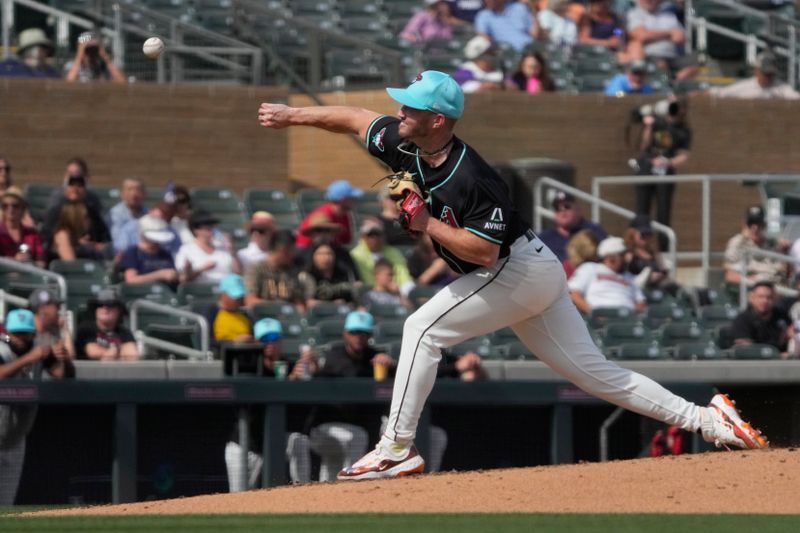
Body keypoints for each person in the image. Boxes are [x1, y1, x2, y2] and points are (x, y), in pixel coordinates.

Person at [257, 70, 767, 480]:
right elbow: (353, 116)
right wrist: (292, 114)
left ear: (437, 120)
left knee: (421, 330)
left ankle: (396, 447)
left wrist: (427, 223)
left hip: (513, 268)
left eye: (409, 106)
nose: (398, 111)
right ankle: (708, 419)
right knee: (595, 375)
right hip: (528, 271)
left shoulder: (473, 177)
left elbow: (481, 253)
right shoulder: (405, 140)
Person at [224, 318, 312, 490]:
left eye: (273, 337)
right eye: (264, 339)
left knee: (299, 441)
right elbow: (230, 356)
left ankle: (304, 491)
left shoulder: (289, 365)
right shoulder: (249, 363)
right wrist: (245, 342)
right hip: (244, 445)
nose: (269, 343)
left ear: (280, 340)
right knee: (239, 500)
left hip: (272, 441)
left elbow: (310, 380)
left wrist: (311, 364)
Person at [0, 309, 73, 506]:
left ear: (33, 332)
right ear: (7, 332)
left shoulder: (39, 349)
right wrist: (29, 358)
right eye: (17, 333)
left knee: (5, 505)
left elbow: (62, 376)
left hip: (15, 438)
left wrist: (63, 358)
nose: (21, 339)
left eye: (25, 333)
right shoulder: (2, 349)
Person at [632, 97, 691, 251]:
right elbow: (643, 146)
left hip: (665, 174)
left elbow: (684, 155)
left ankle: (664, 249)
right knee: (641, 210)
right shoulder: (657, 124)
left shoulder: (683, 130)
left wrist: (668, 162)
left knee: (663, 213)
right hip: (646, 170)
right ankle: (637, 247)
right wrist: (649, 126)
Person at [41, 158, 110, 255]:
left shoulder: (92, 207)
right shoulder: (56, 207)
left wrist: (97, 245)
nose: (75, 188)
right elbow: (48, 238)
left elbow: (103, 237)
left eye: (80, 184)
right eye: (72, 183)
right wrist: (75, 242)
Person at [568, 236, 647, 314]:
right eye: (622, 255)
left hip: (627, 321)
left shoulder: (629, 277)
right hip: (597, 321)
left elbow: (641, 303)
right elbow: (573, 294)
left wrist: (632, 312)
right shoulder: (590, 268)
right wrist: (592, 312)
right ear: (611, 257)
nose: (627, 259)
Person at [626, 0, 697, 80]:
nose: (650, 1)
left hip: (674, 55)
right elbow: (641, 35)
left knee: (698, 60)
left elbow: (680, 36)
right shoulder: (635, 13)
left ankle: (674, 79)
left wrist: (656, 35)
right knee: (661, 64)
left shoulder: (668, 15)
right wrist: (669, 33)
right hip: (651, 55)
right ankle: (667, 82)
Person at [244, 229, 313, 311]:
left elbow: (297, 301)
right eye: (289, 250)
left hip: (287, 316)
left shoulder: (292, 271)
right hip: (263, 316)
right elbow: (250, 300)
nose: (292, 254)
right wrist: (278, 307)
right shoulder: (256, 269)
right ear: (279, 249)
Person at [724, 206, 789, 290]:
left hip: (779, 288)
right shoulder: (738, 243)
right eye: (751, 223)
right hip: (754, 289)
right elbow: (730, 275)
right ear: (744, 225)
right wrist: (753, 282)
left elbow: (786, 272)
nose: (755, 228)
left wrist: (786, 252)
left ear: (765, 224)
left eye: (759, 223)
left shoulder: (774, 244)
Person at [538, 191, 608, 263]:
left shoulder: (594, 231)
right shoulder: (544, 238)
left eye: (567, 206)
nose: (562, 210)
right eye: (557, 208)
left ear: (577, 209)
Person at [350, 218, 413, 292]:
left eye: (378, 234)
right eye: (370, 235)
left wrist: (399, 287)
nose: (375, 238)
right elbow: (366, 280)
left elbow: (404, 276)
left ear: (383, 235)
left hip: (397, 290)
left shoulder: (393, 252)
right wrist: (385, 287)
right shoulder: (356, 255)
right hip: (371, 293)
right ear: (363, 237)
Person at [175, 210, 238, 284]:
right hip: (200, 290)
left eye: (212, 226)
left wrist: (232, 251)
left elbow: (238, 272)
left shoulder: (222, 247)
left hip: (226, 289)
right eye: (207, 227)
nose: (211, 229)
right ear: (196, 230)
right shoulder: (186, 250)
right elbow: (183, 278)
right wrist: (201, 270)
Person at [75, 289, 139, 361]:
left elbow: (132, 355)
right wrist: (117, 351)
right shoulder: (85, 329)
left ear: (119, 310)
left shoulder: (125, 333)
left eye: (110, 304)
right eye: (100, 305)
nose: (105, 307)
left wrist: (113, 353)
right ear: (95, 310)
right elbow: (93, 352)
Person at [295, 181, 361, 248]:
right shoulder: (323, 215)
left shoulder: (344, 214)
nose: (355, 201)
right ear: (343, 200)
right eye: (352, 198)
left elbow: (346, 241)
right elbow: (306, 246)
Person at [708, 51, 799, 100]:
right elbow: (719, 93)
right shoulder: (744, 87)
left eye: (771, 74)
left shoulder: (782, 88)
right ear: (757, 71)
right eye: (766, 74)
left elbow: (795, 97)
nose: (768, 78)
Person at [730, 282, 790, 355]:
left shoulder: (782, 316)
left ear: (775, 299)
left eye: (769, 297)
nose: (765, 301)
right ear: (751, 298)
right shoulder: (742, 320)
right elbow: (745, 349)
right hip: (755, 363)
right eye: (760, 297)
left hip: (783, 363)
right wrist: (777, 355)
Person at [120, 214, 178, 287]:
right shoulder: (133, 252)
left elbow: (173, 275)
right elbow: (131, 280)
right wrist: (159, 275)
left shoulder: (165, 253)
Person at [299, 242, 360, 306]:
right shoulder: (306, 276)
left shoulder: (344, 274)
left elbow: (354, 296)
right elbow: (307, 302)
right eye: (320, 254)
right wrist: (332, 304)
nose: (325, 257)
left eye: (329, 254)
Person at [202, 274, 253, 346]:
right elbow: (205, 342)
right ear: (223, 294)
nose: (238, 299)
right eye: (235, 296)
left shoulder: (245, 314)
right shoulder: (212, 311)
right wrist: (233, 342)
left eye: (240, 296)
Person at [0, 187, 44, 267]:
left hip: (29, 277)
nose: (10, 209)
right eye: (5, 206)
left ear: (23, 209)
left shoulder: (33, 234)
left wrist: (30, 263)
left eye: (15, 206)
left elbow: (42, 262)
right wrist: (15, 261)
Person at [29, 288, 75, 360]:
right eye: (56, 306)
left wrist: (65, 330)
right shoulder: (26, 330)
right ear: (42, 308)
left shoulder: (53, 332)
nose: (59, 310)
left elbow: (70, 357)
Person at [110, 178, 147, 253]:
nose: (134, 194)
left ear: (143, 194)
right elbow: (118, 242)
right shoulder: (115, 214)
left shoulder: (148, 214)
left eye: (138, 190)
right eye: (130, 189)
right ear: (122, 194)